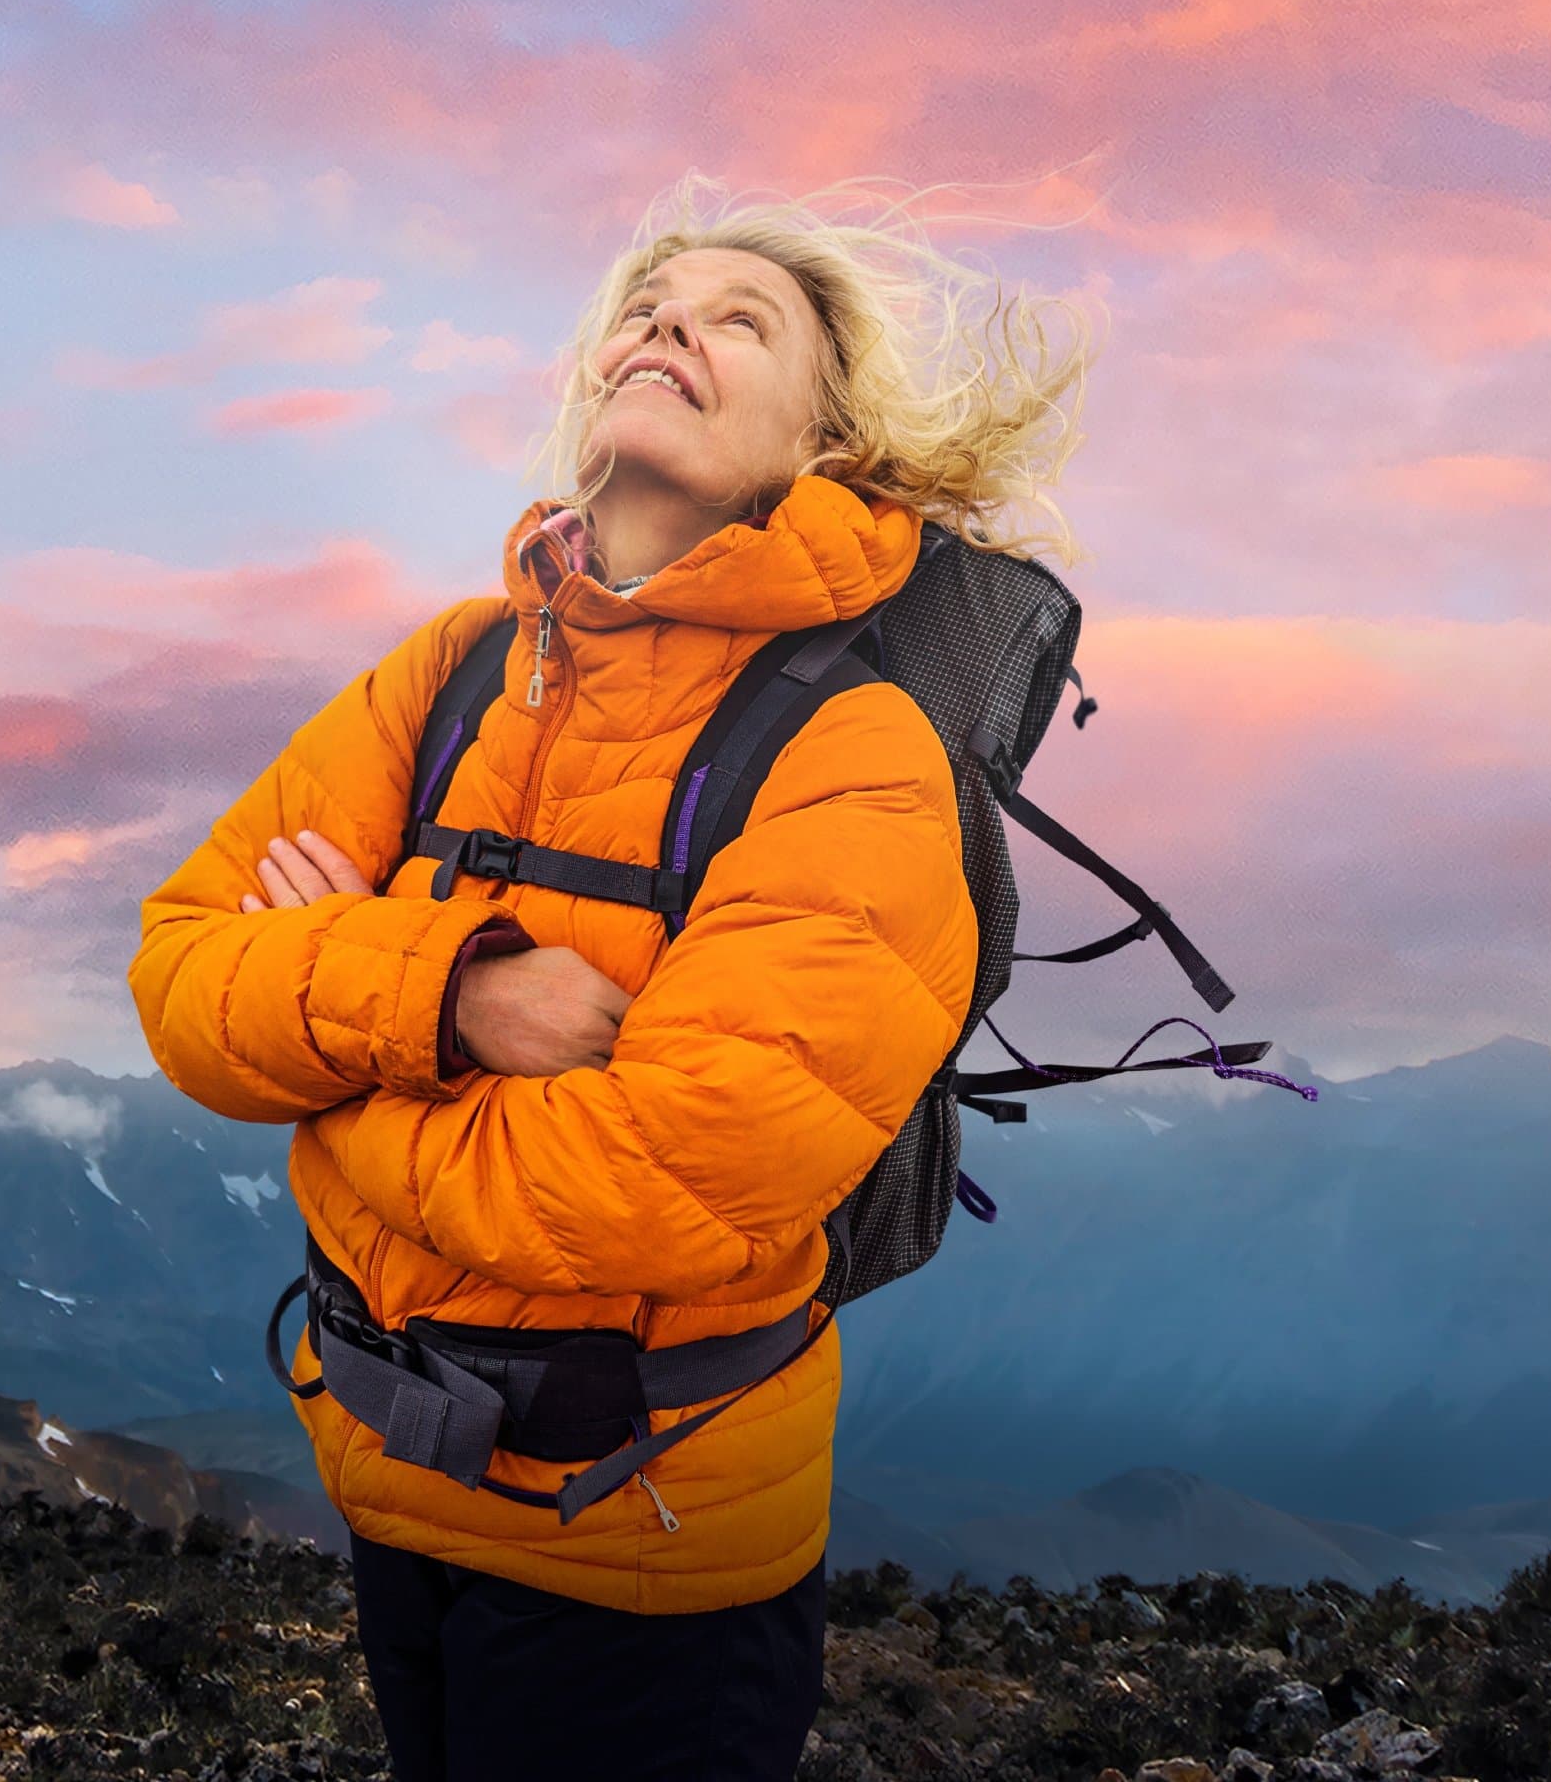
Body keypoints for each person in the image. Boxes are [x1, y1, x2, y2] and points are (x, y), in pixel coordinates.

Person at [131, 181, 1089, 1781]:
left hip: (642, 1554)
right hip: (395, 1489)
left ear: (826, 438)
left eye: (738, 321)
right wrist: (456, 1002)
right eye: (648, 309)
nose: (669, 328)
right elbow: (180, 974)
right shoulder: (449, 671)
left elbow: (657, 1190)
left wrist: (332, 1070)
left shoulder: (856, 753)